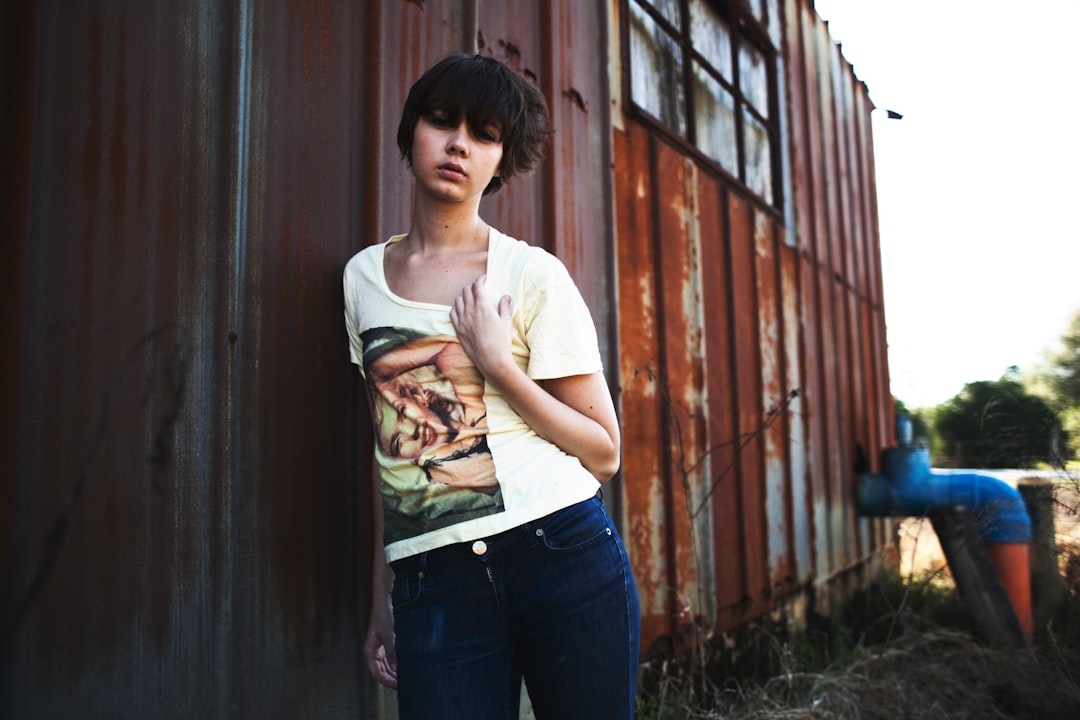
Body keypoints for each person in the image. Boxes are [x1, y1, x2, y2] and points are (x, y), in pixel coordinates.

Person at [343, 53, 640, 719]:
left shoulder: (531, 275)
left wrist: (499, 366)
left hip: (560, 557)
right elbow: (389, 447)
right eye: (441, 121)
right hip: (434, 584)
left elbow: (603, 452)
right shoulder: (362, 280)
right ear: (410, 132)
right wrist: (382, 591)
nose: (457, 145)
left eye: (483, 134)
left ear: (501, 161)